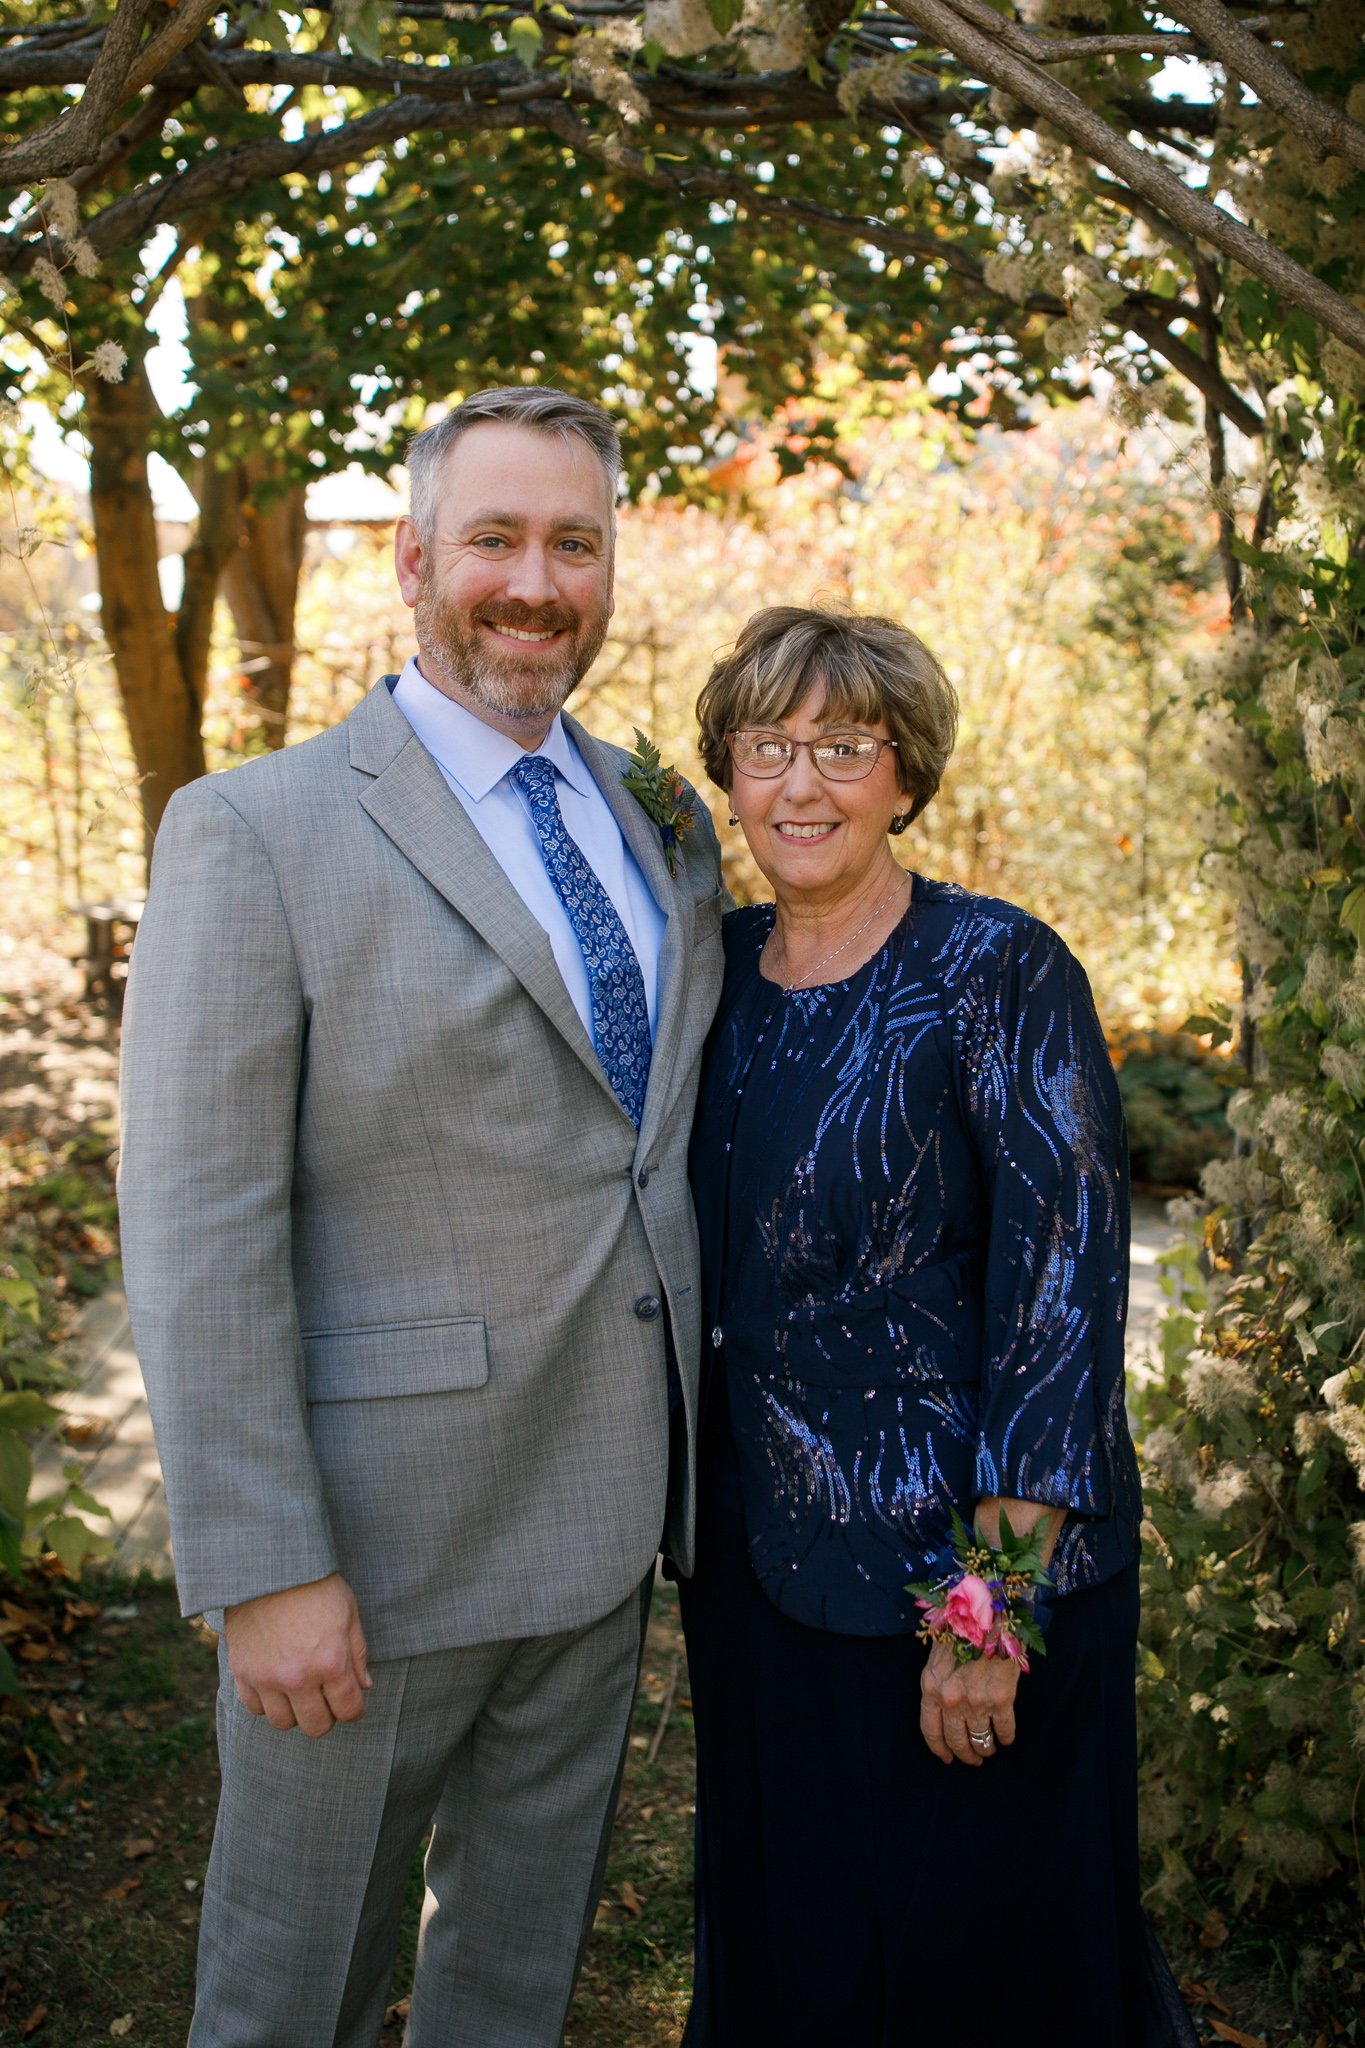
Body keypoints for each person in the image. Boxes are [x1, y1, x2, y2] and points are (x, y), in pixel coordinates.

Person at [117, 385, 726, 2048]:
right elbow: (194, 1223)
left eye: (575, 544)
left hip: (605, 1537)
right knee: (287, 1999)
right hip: (366, 1564)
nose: (536, 583)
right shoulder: (257, 830)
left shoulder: (660, 828)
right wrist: (262, 1564)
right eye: (496, 540)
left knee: (508, 1994)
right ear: (410, 562)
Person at [680, 605, 1199, 2046]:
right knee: (797, 1949)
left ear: (906, 774)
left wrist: (988, 1613)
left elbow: (1059, 1299)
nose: (799, 785)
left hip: (955, 1576)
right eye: (765, 745)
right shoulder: (707, 975)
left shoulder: (997, 971)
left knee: (983, 1963)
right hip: (759, 1572)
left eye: (843, 748)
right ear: (725, 769)